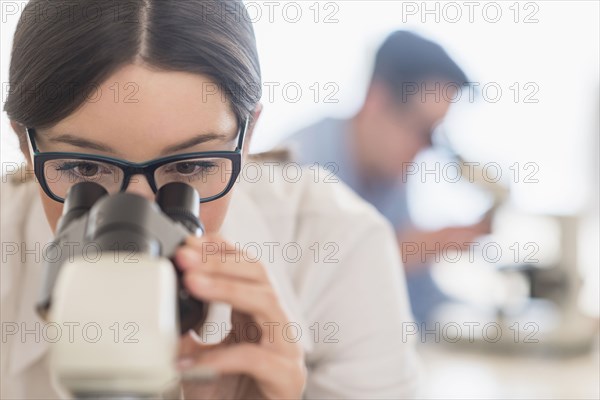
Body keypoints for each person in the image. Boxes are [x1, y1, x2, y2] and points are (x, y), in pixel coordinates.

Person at [0, 1, 420, 399]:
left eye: (189, 168)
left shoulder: (338, 245)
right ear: (25, 144)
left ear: (247, 138)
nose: (140, 216)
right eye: (86, 170)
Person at [283, 31, 491, 325]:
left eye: (434, 136)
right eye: (422, 129)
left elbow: (420, 302)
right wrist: (406, 250)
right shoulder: (295, 170)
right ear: (376, 101)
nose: (424, 150)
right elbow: (298, 297)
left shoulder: (390, 175)